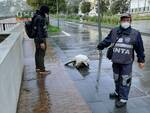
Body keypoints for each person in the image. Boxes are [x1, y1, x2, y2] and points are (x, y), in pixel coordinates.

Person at [97, 13, 145, 108]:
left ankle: (123, 98)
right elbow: (107, 40)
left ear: (130, 21)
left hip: (126, 62)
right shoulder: (114, 31)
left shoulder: (135, 33)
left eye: (127, 20)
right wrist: (100, 46)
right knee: (116, 78)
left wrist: (141, 60)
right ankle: (117, 92)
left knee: (125, 80)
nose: (125, 22)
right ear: (120, 21)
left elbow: (140, 48)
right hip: (115, 61)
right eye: (123, 20)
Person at [34, 5, 50, 75]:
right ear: (45, 11)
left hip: (36, 37)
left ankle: (38, 68)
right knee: (41, 53)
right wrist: (41, 42)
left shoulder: (37, 16)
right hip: (40, 38)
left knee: (37, 52)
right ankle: (42, 70)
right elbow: (39, 31)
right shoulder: (40, 18)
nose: (47, 13)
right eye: (47, 12)